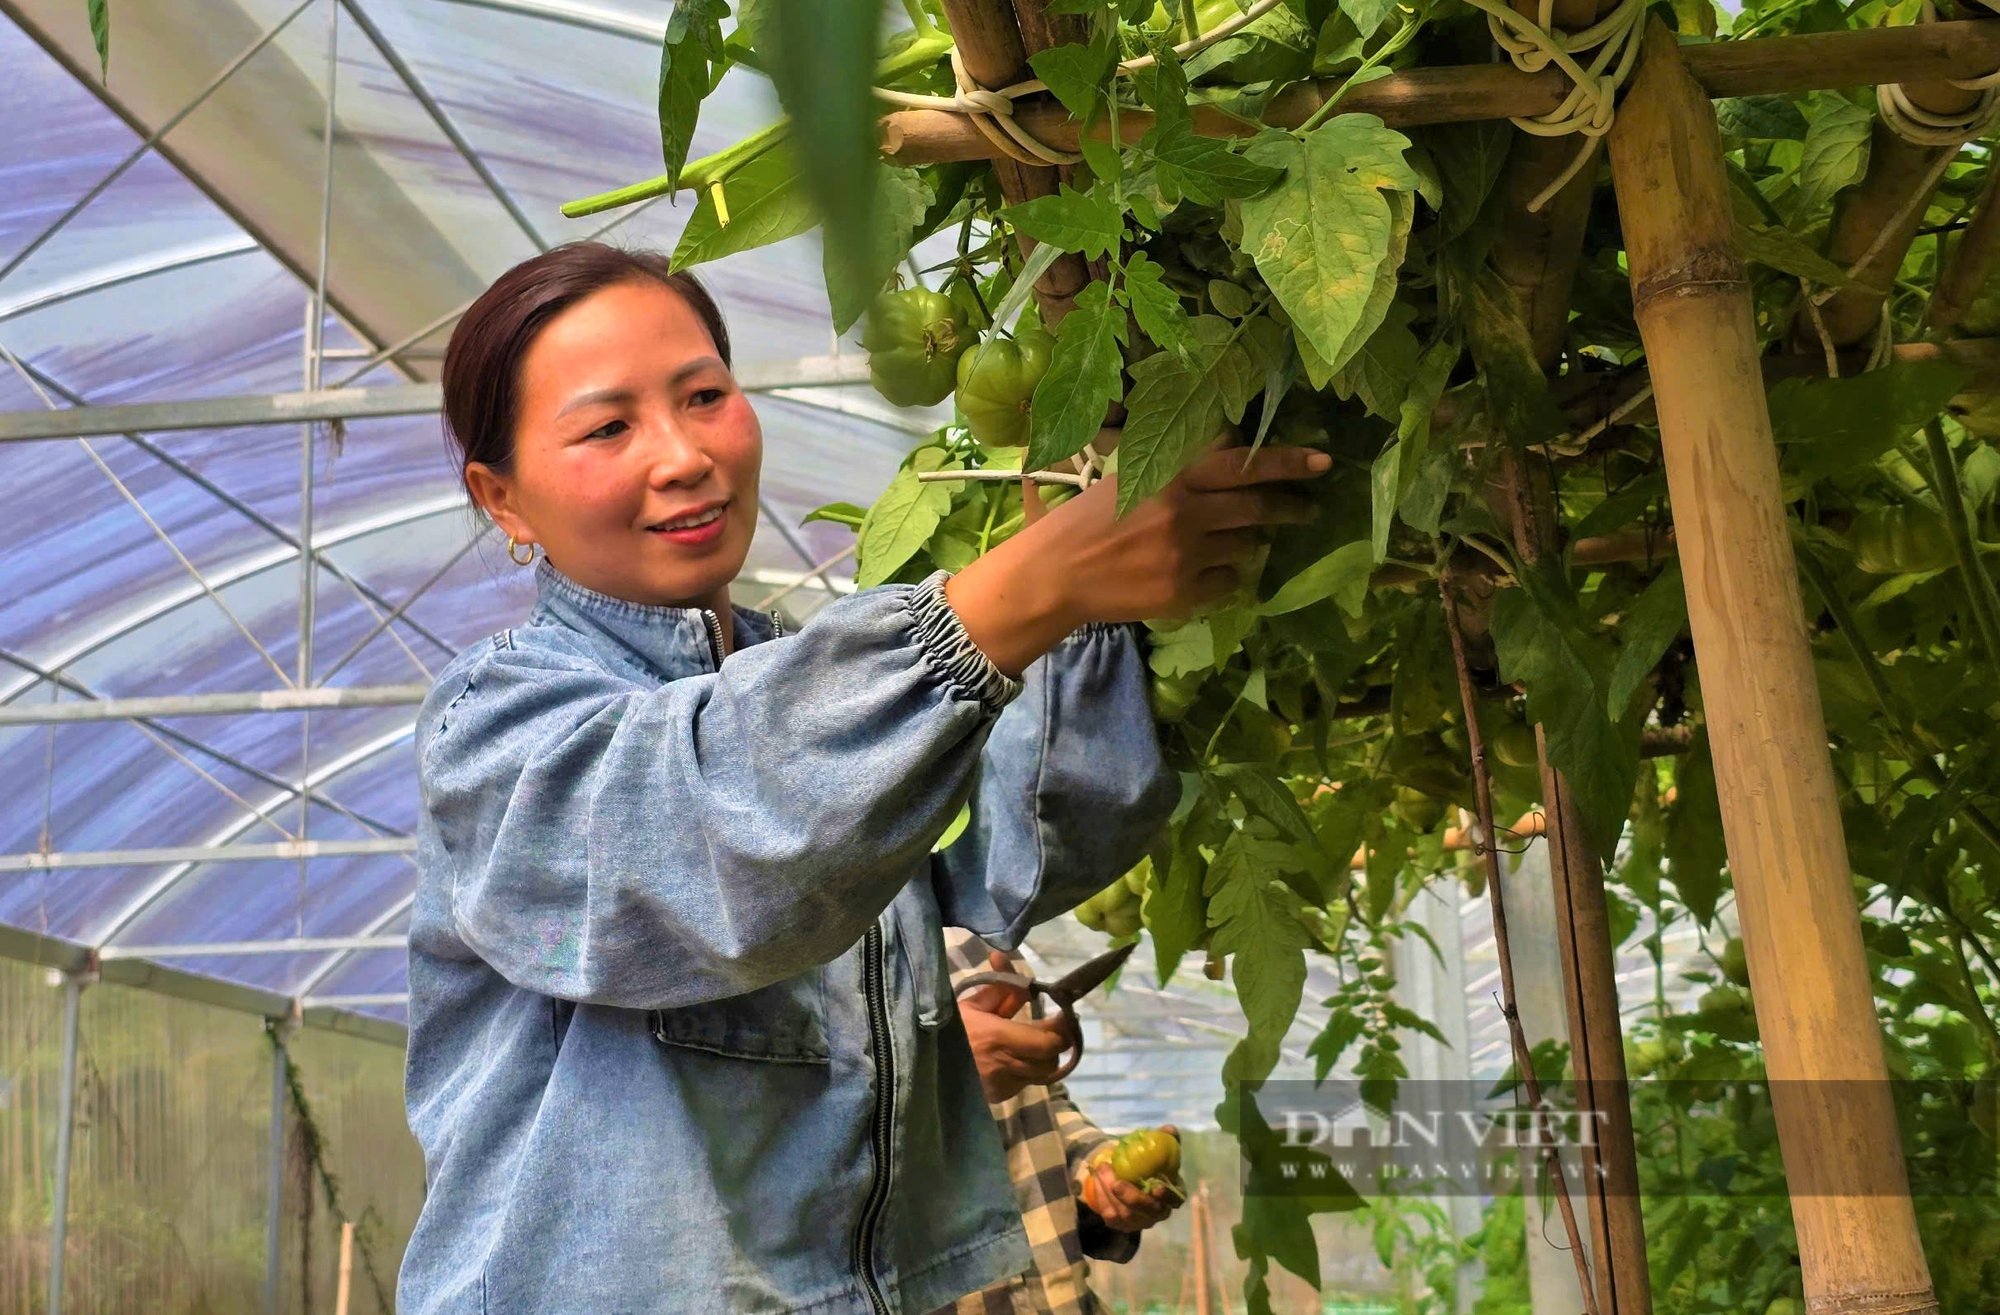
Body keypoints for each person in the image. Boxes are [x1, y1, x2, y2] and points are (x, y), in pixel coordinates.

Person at [397, 240, 1329, 1315]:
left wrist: (1082, 617)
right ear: (501, 498)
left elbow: (1001, 869)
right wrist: (1007, 603)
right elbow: (714, 843)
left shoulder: (808, 689)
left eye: (704, 395)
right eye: (608, 426)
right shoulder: (501, 729)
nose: (683, 455)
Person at [941, 929, 1180, 1315]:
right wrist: (933, 1068)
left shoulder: (980, 949)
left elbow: (1037, 1106)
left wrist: (1098, 1167)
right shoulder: (816, 962)